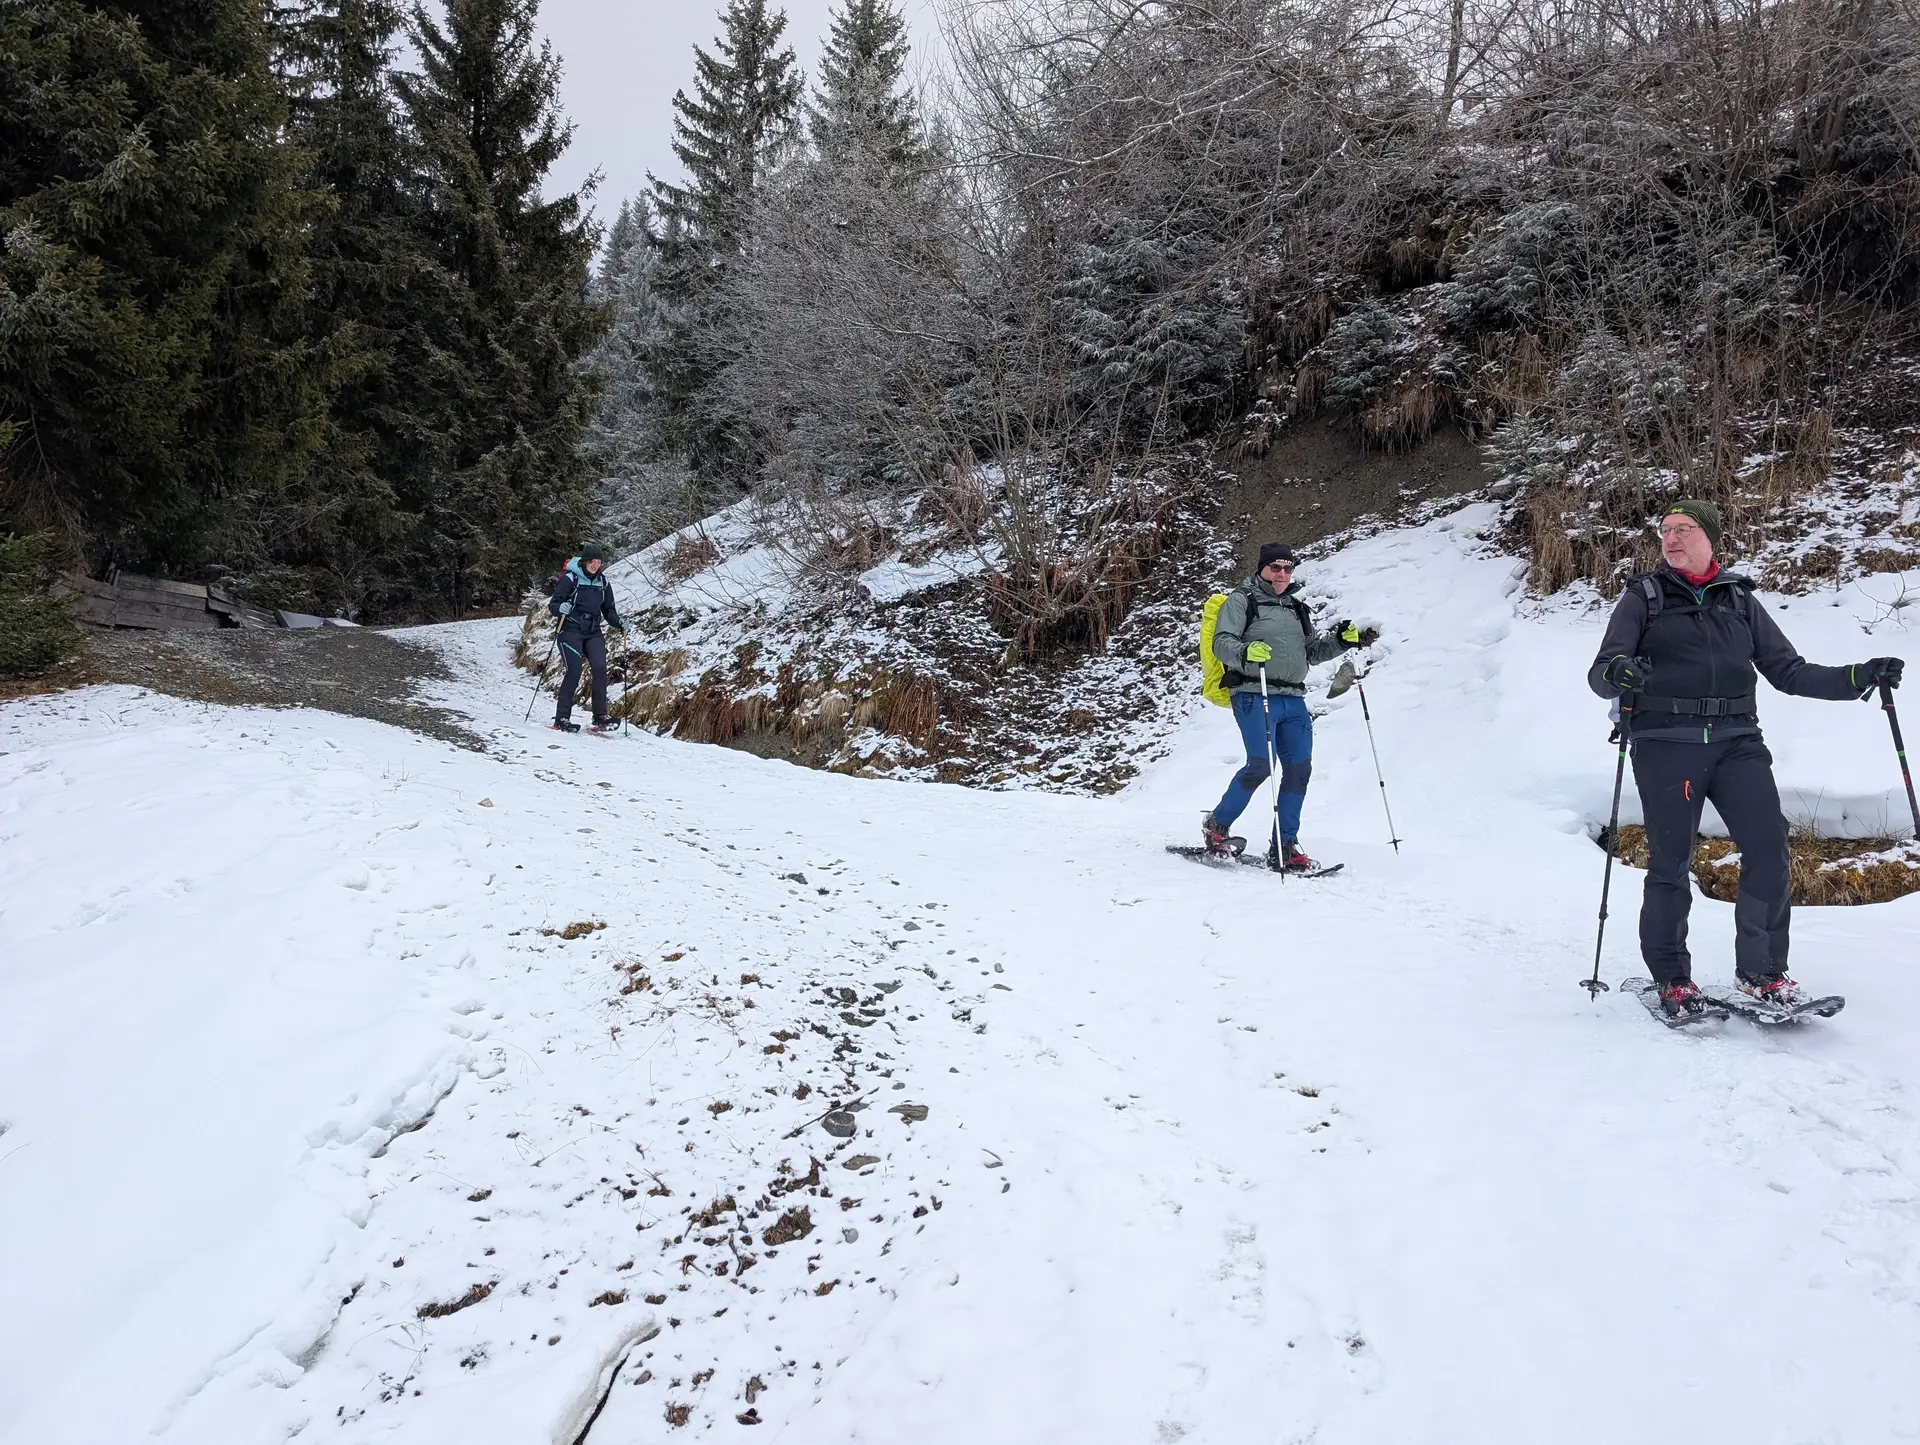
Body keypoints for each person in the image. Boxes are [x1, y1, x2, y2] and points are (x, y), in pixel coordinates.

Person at [1587, 500, 1903, 1017]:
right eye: (1665, 530)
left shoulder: (1738, 599)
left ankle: (1762, 973)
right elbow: (1601, 673)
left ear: (1709, 538)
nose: (1671, 538)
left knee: (1769, 847)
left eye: (1684, 529)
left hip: (1738, 742)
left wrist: (1858, 676)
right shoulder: (1643, 596)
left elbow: (1789, 671)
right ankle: (1672, 979)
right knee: (1670, 861)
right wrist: (1621, 674)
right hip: (1667, 744)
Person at [1203, 543, 1363, 868]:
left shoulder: (1296, 608)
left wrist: (1340, 641)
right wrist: (1246, 652)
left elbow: (1312, 652)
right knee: (1261, 765)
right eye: (1276, 568)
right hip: (1253, 693)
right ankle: (1216, 827)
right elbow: (1222, 643)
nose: (1282, 574)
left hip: (1293, 699)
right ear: (1262, 568)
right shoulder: (1242, 600)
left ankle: (1285, 846)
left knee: (1299, 770)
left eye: (1288, 569)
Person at [547, 543, 626, 732]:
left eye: (599, 562)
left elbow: (608, 610)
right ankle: (562, 719)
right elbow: (553, 605)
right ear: (584, 561)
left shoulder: (603, 583)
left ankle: (600, 717)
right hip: (570, 631)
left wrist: (619, 622)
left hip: (593, 632)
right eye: (592, 561)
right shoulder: (570, 579)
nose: (595, 565)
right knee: (574, 671)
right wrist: (560, 608)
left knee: (600, 669)